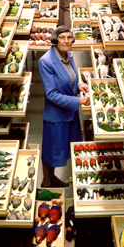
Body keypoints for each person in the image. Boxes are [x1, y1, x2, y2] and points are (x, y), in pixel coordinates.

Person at [38, 26, 90, 187]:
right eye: (62, 37)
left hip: (70, 113)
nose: (66, 41)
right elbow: (52, 94)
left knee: (66, 146)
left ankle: (51, 179)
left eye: (69, 37)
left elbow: (69, 78)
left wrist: (78, 86)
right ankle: (47, 181)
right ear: (55, 40)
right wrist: (78, 101)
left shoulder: (68, 55)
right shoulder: (46, 61)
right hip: (57, 114)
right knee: (52, 149)